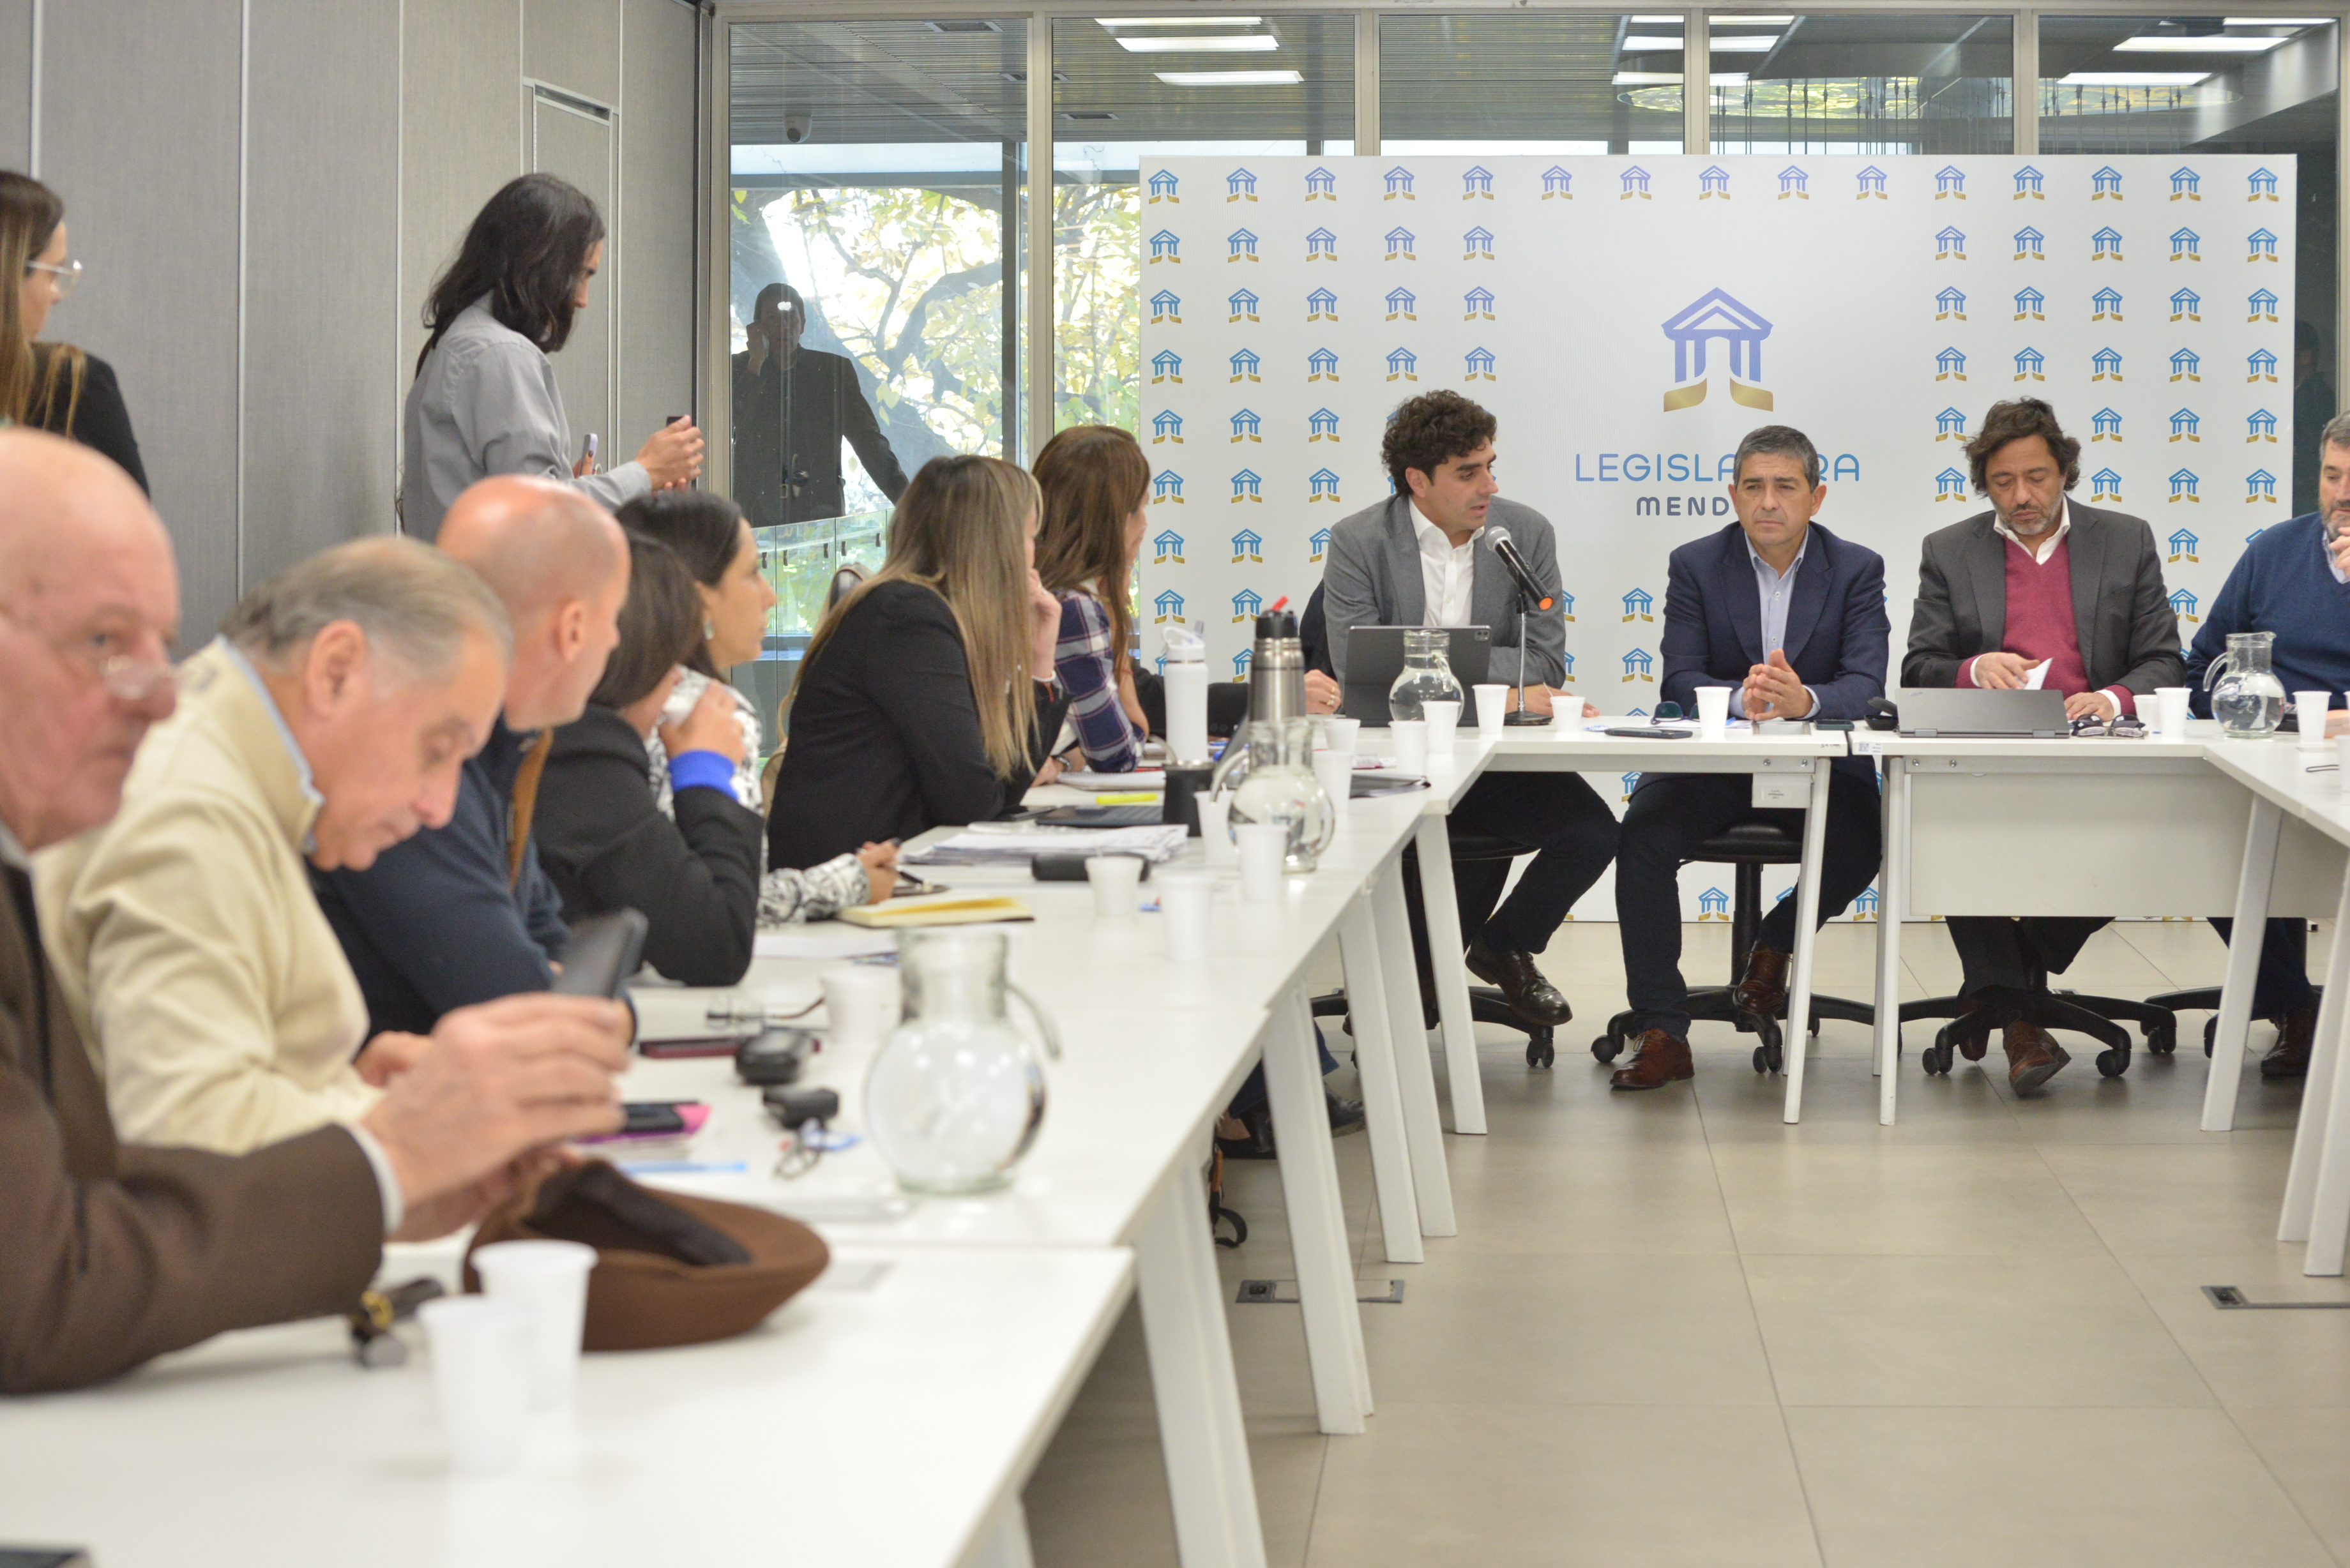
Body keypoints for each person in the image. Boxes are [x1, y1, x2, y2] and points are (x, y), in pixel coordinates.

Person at [0, 428, 629, 1393]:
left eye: (161, 643)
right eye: (105, 642)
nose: (158, 694)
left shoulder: (226, 787)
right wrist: (396, 1139)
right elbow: (174, 1136)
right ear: (336, 670)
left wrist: (354, 1105)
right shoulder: (188, 803)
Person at [38, 538, 513, 1152]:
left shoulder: (224, 769)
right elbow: (193, 1135)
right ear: (336, 672)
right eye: (437, 751)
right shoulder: (193, 811)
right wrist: (414, 1126)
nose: (439, 807)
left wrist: (339, 1091)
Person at [1903, 398, 2187, 1092]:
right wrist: (1975, 668)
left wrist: (2111, 697)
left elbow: (2163, 661)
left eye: (2036, 477)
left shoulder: (2125, 540)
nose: (2022, 496)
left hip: (2097, 757)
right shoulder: (1949, 549)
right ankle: (2019, 1017)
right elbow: (1918, 667)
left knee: (2153, 835)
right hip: (1986, 760)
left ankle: (2003, 988)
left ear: (2064, 472)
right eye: (2003, 482)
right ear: (1984, 484)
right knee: (1942, 818)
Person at [1319, 390, 1617, 1029]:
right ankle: (1407, 997)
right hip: (1397, 760)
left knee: (1593, 834)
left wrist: (1434, 672)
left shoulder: (1523, 533)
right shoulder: (1358, 540)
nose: (1489, 485)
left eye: (1489, 466)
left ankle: (1503, 944)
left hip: (1491, 757)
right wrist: (1501, 694)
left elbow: (1545, 661)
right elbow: (1360, 669)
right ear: (1417, 481)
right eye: (1467, 472)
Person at [1607, 426, 1889, 1090]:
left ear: (1816, 496)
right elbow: (1679, 679)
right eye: (1753, 487)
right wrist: (1745, 698)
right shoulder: (1696, 563)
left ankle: (1774, 943)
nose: (1768, 501)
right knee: (1641, 840)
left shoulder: (1855, 567)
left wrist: (1803, 700)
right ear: (1732, 495)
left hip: (1817, 767)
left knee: (1860, 842)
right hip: (1715, 763)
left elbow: (1865, 684)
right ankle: (1661, 1028)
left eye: (1785, 486)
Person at [315, 476, 628, 1035]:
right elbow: (516, 1006)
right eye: (615, 617)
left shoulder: (510, 746)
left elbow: (550, 943)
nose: (616, 641)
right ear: (575, 629)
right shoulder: (413, 759)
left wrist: (587, 1001)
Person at [534, 533, 892, 986]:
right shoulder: (588, 759)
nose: (770, 595)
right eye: (751, 573)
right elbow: (717, 933)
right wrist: (704, 773)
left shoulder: (564, 746)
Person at [768, 455, 1070, 870]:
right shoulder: (907, 619)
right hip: (845, 886)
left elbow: (993, 793)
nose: (1034, 556)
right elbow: (973, 803)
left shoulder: (920, 613)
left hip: (880, 869)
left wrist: (1038, 662)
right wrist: (1035, 666)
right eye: (1030, 537)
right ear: (996, 547)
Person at [2180, 406, 2350, 1079]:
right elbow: (2200, 667)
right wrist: (2257, 708)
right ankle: (2294, 1006)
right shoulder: (2275, 551)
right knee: (2213, 833)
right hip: (2273, 752)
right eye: (2332, 476)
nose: (2342, 495)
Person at [403, 172, 703, 543]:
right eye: (582, 275)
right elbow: (540, 516)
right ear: (543, 263)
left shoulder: (456, 340)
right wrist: (646, 472)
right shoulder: (501, 354)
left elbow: (514, 501)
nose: (583, 299)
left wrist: (570, 488)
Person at [1, 172, 145, 490]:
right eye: (53, 273)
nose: (56, 296)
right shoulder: (72, 382)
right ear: (10, 273)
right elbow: (124, 516)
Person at [731, 282, 908, 528]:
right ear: (757, 328)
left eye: (790, 318)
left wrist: (910, 506)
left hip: (821, 517)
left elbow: (869, 443)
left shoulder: (832, 371)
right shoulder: (739, 369)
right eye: (772, 318)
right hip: (752, 516)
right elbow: (730, 427)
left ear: (803, 324)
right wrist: (756, 364)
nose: (783, 327)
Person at [1034, 424, 1151, 773]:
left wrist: (1064, 761)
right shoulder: (1072, 607)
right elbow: (1119, 755)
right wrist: (1116, 609)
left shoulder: (1031, 588)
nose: (1145, 525)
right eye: (1139, 509)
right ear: (1111, 520)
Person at [2293, 320, 2335, 519]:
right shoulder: (2297, 393)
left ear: (2306, 357)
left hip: (2306, 496)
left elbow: (2309, 449)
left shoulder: (2316, 396)